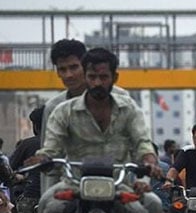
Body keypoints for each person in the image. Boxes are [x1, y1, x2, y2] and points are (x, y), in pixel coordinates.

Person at [28, 47, 162, 213]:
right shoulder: (63, 110)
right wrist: (43, 158)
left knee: (148, 210)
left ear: (114, 76)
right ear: (86, 77)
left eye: (103, 77)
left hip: (118, 183)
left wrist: (149, 161)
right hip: (74, 183)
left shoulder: (128, 108)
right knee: (48, 206)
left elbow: (143, 144)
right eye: (92, 77)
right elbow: (51, 146)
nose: (97, 83)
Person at [40, 39, 131, 194]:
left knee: (147, 209)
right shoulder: (53, 108)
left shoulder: (121, 98)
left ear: (86, 66)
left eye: (74, 67)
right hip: (72, 186)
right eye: (62, 69)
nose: (69, 75)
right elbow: (50, 159)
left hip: (117, 184)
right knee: (48, 211)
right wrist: (47, 196)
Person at [9, 106, 43, 213]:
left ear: (35, 126)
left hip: (33, 194)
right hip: (61, 193)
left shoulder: (28, 144)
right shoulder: (67, 143)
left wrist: (14, 178)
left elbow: (10, 167)